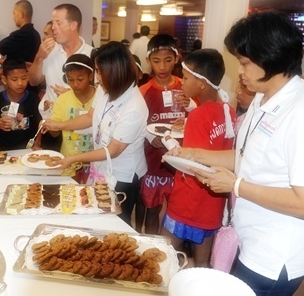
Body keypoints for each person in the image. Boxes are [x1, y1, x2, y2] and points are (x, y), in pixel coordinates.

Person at [169, 11, 304, 295]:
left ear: (270, 58)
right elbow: (248, 158)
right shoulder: (263, 98)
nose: (240, 72)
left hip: (275, 253)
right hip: (251, 238)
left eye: (244, 63)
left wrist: (236, 185)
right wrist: (195, 154)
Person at [42, 41, 148, 226]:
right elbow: (91, 117)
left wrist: (73, 158)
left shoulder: (134, 107)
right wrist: (58, 125)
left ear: (115, 72)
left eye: (99, 71)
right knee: (97, 217)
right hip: (101, 169)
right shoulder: (105, 89)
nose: (97, 78)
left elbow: (113, 150)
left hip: (121, 177)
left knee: (116, 225)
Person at [161, 48, 236, 268]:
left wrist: (169, 142)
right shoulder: (227, 110)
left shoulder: (197, 116)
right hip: (212, 204)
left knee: (165, 255)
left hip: (187, 200)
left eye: (185, 78)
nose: (181, 83)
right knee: (203, 261)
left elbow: (191, 162)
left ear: (201, 83)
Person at [135, 34, 183, 234]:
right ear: (148, 62)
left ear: (177, 58)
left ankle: (173, 248)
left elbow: (198, 118)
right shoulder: (143, 91)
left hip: (180, 164)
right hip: (153, 163)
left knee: (177, 212)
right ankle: (151, 247)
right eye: (156, 61)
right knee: (152, 210)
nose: (162, 67)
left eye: (168, 60)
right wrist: (148, 136)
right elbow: (136, 123)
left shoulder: (186, 87)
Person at [37, 54, 96, 183]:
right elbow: (55, 133)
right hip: (68, 162)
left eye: (80, 79)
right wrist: (48, 123)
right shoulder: (63, 100)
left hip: (95, 164)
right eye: (70, 79)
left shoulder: (100, 98)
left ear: (91, 76)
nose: (75, 84)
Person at [29, 3, 93, 120]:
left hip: (78, 122)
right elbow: (33, 81)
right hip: (50, 121)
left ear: (73, 25)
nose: (53, 27)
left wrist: (70, 96)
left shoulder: (91, 54)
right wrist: (39, 57)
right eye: (53, 22)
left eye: (58, 23)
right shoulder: (48, 50)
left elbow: (98, 93)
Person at [0, 57, 41, 151]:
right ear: (4, 79)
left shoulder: (33, 98)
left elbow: (40, 125)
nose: (20, 83)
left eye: (24, 78)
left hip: (28, 150)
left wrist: (37, 144)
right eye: (14, 79)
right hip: (5, 151)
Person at [0, 0, 41, 65]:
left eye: (14, 13)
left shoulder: (21, 35)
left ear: (21, 14)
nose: (14, 17)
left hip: (18, 75)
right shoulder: (36, 35)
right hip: (27, 74)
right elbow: (15, 63)